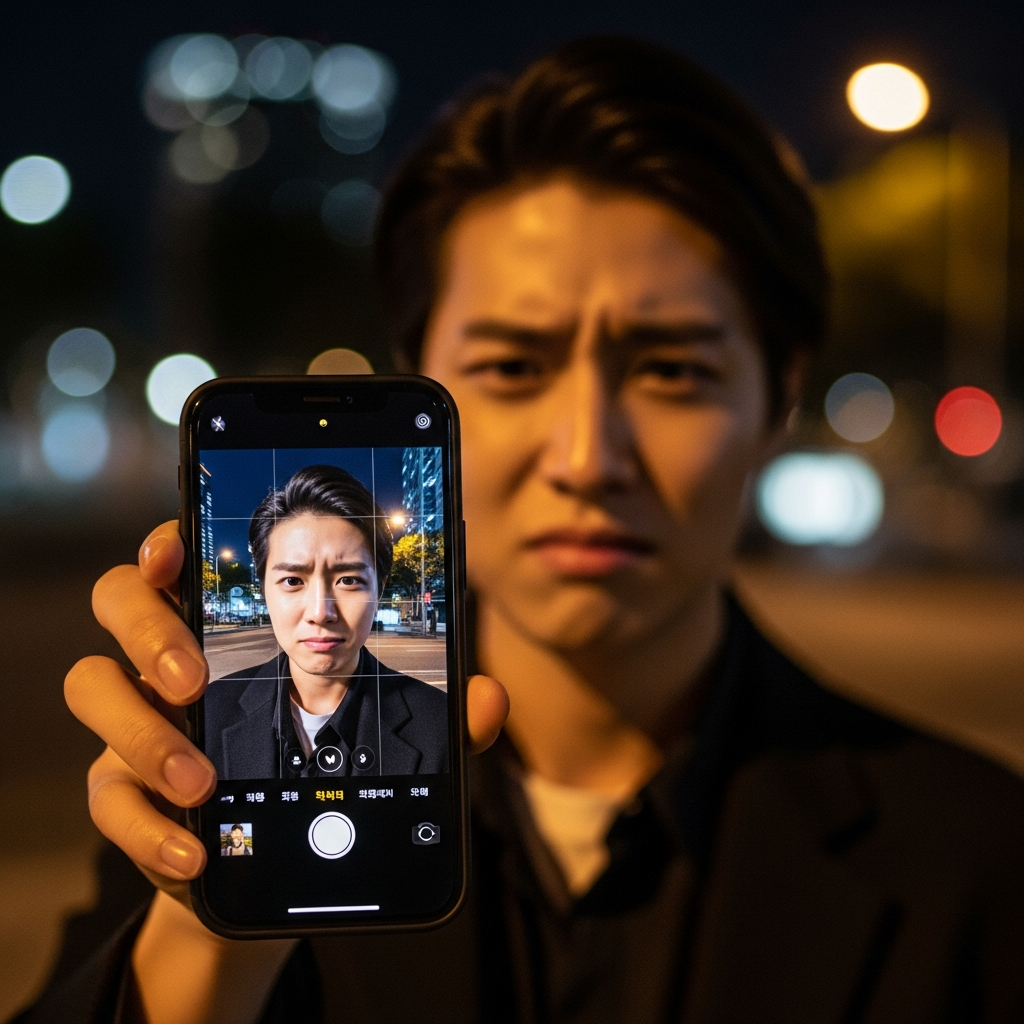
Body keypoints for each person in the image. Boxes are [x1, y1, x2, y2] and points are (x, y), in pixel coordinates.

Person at [22, 36, 1024, 1024]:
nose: (586, 455)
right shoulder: (226, 777)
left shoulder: (980, 858)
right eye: (510, 368)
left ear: (777, 396)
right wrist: (202, 948)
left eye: (673, 370)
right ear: (422, 379)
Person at [206, 464, 448, 780]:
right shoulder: (208, 713)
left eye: (348, 580)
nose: (321, 612)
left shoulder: (440, 722)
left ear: (380, 587)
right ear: (264, 587)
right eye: (293, 580)